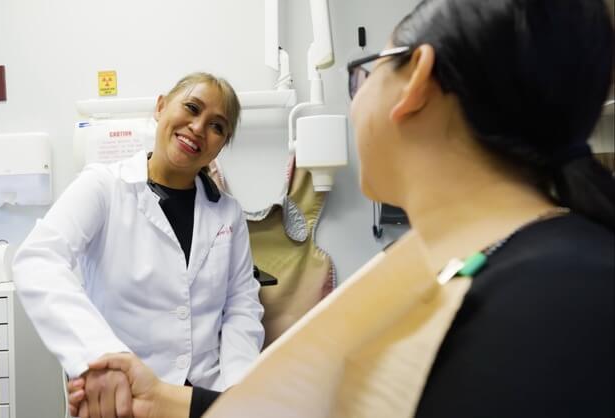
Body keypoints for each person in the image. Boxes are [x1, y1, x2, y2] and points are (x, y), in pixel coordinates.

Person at [69, 0, 615, 416]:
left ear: (416, 81)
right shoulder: (481, 260)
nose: (356, 102)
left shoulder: (559, 295)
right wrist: (167, 399)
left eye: (364, 73)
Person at [12, 72, 265, 418]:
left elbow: (241, 306)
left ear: (221, 144)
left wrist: (236, 392)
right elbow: (38, 259)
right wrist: (100, 359)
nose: (198, 128)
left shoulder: (227, 213)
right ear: (161, 107)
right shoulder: (103, 187)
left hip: (204, 399)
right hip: (122, 398)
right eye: (191, 108)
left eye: (217, 126)